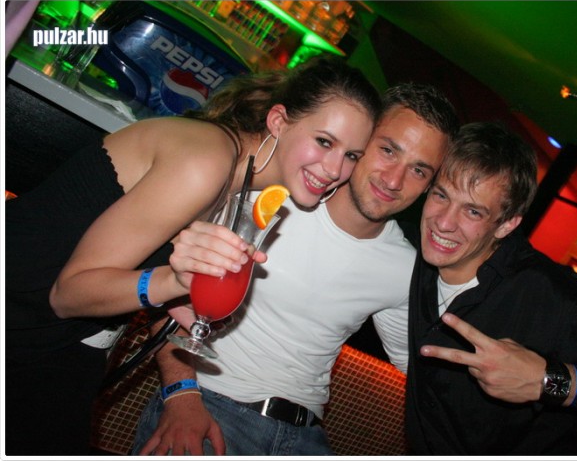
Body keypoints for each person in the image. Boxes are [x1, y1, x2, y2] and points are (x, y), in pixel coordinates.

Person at [4, 55, 381, 456]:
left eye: (352, 155)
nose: (334, 169)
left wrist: (178, 311)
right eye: (324, 142)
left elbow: (131, 265)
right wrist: (173, 282)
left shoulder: (236, 182)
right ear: (278, 121)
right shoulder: (207, 160)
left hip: (58, 341)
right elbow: (67, 295)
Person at [131, 83, 460, 455]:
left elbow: (422, 368)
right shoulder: (266, 199)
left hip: (307, 438)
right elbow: (167, 284)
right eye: (388, 150)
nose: (394, 180)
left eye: (419, 170)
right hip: (211, 405)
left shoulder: (405, 268)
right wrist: (180, 395)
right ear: (363, 140)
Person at [405, 122, 577, 455]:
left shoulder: (554, 297)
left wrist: (550, 381)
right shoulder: (411, 252)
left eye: (472, 211)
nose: (443, 222)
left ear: (507, 224)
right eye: (441, 195)